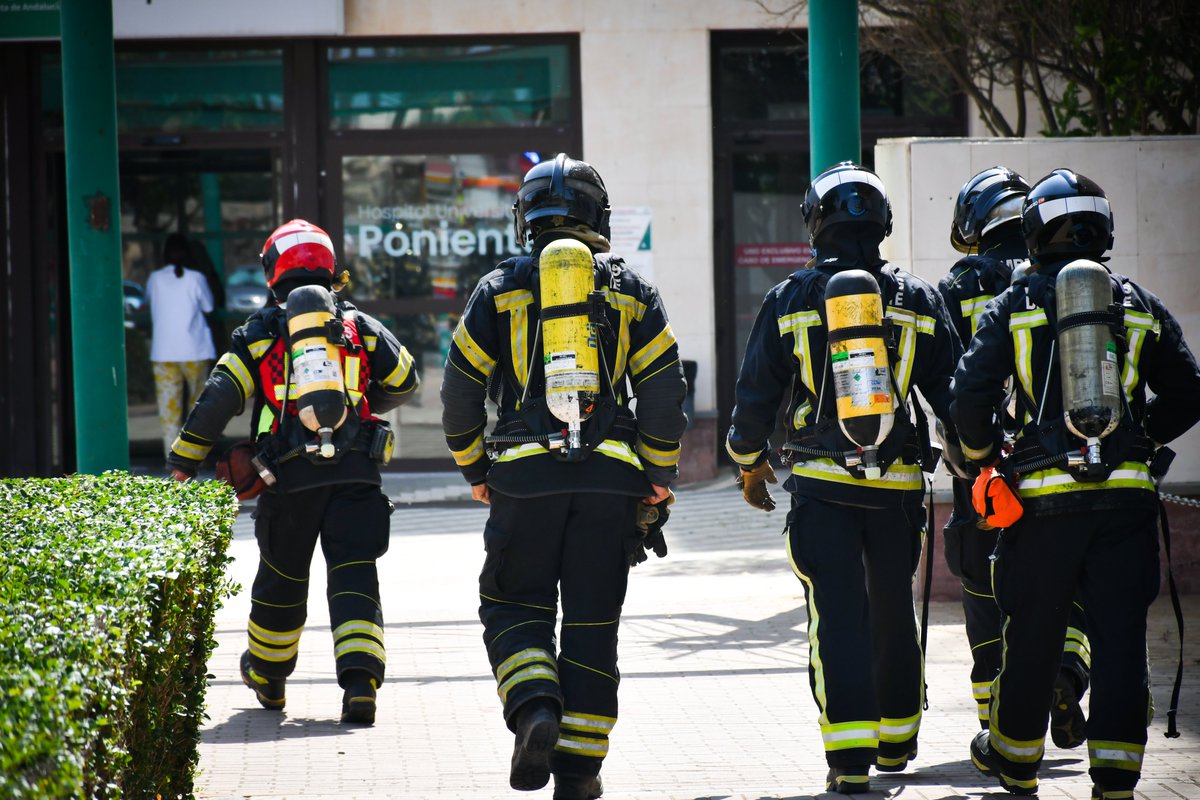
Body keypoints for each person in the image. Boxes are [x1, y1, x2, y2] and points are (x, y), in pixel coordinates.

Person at [440, 153, 686, 800]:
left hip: (522, 478)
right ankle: (578, 774)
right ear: (597, 217)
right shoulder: (631, 290)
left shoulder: (497, 289)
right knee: (591, 624)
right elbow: (663, 394)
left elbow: (460, 391)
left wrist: (475, 468)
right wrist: (657, 472)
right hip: (611, 483)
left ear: (527, 218)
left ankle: (534, 709)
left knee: (513, 603)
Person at [954, 169, 1200, 798]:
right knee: (1120, 636)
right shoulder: (1136, 301)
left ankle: (1015, 761)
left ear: (1035, 230)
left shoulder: (1016, 302)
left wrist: (987, 458)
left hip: (1040, 505)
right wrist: (1141, 437)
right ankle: (1116, 775)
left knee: (1032, 632)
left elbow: (969, 393)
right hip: (1125, 502)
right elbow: (1189, 391)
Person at [727, 162, 962, 795]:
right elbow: (956, 397)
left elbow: (755, 398)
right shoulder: (919, 298)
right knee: (892, 608)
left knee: (836, 616)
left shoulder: (790, 298)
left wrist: (750, 465)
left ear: (815, 220)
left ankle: (849, 761)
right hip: (898, 490)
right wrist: (978, 460)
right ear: (882, 223)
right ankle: (897, 742)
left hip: (823, 487)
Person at [167, 219, 419, 725]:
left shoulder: (259, 333)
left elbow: (220, 397)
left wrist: (183, 461)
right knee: (355, 577)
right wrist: (364, 406)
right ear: (330, 269)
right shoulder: (359, 326)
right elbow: (406, 378)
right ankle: (361, 683)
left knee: (282, 579)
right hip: (357, 476)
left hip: (288, 480)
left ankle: (269, 677)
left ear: (270, 271)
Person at [938, 166, 1090, 748]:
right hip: (1062, 467)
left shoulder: (957, 287)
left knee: (984, 591)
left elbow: (949, 385)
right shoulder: (1064, 281)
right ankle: (1066, 676)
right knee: (1067, 584)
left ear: (975, 222)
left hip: (984, 476)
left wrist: (970, 455)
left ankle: (997, 723)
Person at [145, 232, 216, 460]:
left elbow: (148, 302)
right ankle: (194, 457)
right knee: (197, 407)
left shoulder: (155, 278)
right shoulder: (196, 278)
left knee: (169, 412)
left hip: (163, 352)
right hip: (194, 350)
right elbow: (209, 307)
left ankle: (172, 459)